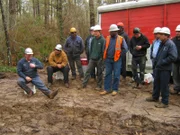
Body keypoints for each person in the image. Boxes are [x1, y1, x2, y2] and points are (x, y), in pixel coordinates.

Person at [146, 27, 177, 108]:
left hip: (165, 69)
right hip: (158, 68)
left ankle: (164, 102)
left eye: (161, 34)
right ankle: (155, 97)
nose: (159, 36)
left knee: (164, 85)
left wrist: (162, 62)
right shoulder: (162, 43)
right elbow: (158, 54)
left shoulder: (170, 44)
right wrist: (156, 62)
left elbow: (173, 57)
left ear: (166, 35)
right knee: (156, 83)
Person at [100, 24, 128, 96]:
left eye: (113, 31)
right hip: (108, 59)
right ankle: (107, 89)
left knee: (116, 75)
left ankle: (115, 89)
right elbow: (104, 48)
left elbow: (125, 49)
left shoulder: (121, 39)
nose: (111, 33)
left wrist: (119, 56)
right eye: (111, 31)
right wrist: (105, 56)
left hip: (117, 60)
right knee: (107, 74)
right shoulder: (107, 38)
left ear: (116, 31)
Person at [82, 25, 105, 90]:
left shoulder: (103, 40)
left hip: (99, 59)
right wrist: (91, 56)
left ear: (99, 31)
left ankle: (99, 86)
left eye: (96, 31)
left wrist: (102, 59)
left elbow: (103, 51)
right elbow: (91, 49)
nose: (94, 33)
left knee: (99, 73)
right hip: (92, 58)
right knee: (88, 71)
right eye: (94, 31)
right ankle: (84, 84)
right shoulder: (93, 39)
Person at [171, 24, 180, 95]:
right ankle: (176, 88)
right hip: (175, 61)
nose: (177, 33)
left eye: (179, 31)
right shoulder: (173, 40)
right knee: (175, 74)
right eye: (176, 31)